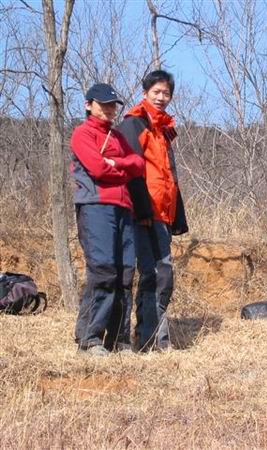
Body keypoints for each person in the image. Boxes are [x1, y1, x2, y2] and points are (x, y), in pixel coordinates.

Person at [71, 83, 145, 355]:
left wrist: (118, 164)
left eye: (113, 105)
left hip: (124, 208)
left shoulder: (116, 137)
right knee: (103, 270)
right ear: (89, 105)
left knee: (125, 272)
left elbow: (139, 164)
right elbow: (98, 169)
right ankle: (89, 339)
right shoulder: (82, 133)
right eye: (103, 104)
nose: (109, 109)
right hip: (96, 206)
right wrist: (119, 168)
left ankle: (119, 339)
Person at [118, 70, 188, 352]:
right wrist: (142, 208)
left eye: (166, 93)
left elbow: (169, 177)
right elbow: (132, 170)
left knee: (163, 276)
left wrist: (177, 216)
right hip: (142, 214)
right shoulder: (134, 124)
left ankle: (155, 339)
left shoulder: (162, 129)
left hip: (162, 214)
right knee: (151, 275)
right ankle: (148, 340)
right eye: (156, 92)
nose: (161, 97)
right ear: (144, 93)